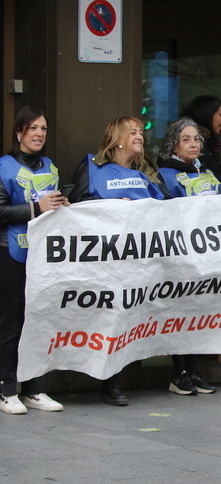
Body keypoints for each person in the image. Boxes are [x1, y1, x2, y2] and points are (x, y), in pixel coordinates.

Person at [70, 116, 166, 405]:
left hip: (138, 260)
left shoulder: (147, 173)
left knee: (129, 318)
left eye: (141, 132)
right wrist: (112, 208)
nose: (140, 137)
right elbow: (76, 206)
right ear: (118, 138)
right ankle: (108, 381)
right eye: (133, 132)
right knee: (108, 317)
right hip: (104, 259)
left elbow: (167, 210)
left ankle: (117, 377)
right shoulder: (92, 167)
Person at [0, 106, 66, 415]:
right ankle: (6, 390)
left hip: (43, 256)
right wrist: (35, 207)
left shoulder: (50, 166)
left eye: (43, 129)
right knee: (12, 324)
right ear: (19, 133)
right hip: (11, 252)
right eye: (32, 129)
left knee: (38, 323)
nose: (39, 134)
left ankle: (34, 389)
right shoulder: (3, 166)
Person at [157, 117, 220, 395]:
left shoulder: (206, 171)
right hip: (181, 253)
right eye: (186, 139)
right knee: (179, 313)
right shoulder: (166, 174)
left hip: (207, 252)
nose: (193, 144)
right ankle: (179, 372)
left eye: (196, 139)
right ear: (174, 144)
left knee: (198, 313)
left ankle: (194, 370)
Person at [180, 95, 221, 192]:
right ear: (208, 116)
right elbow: (195, 179)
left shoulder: (210, 144)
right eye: (220, 115)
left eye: (196, 139)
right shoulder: (197, 148)